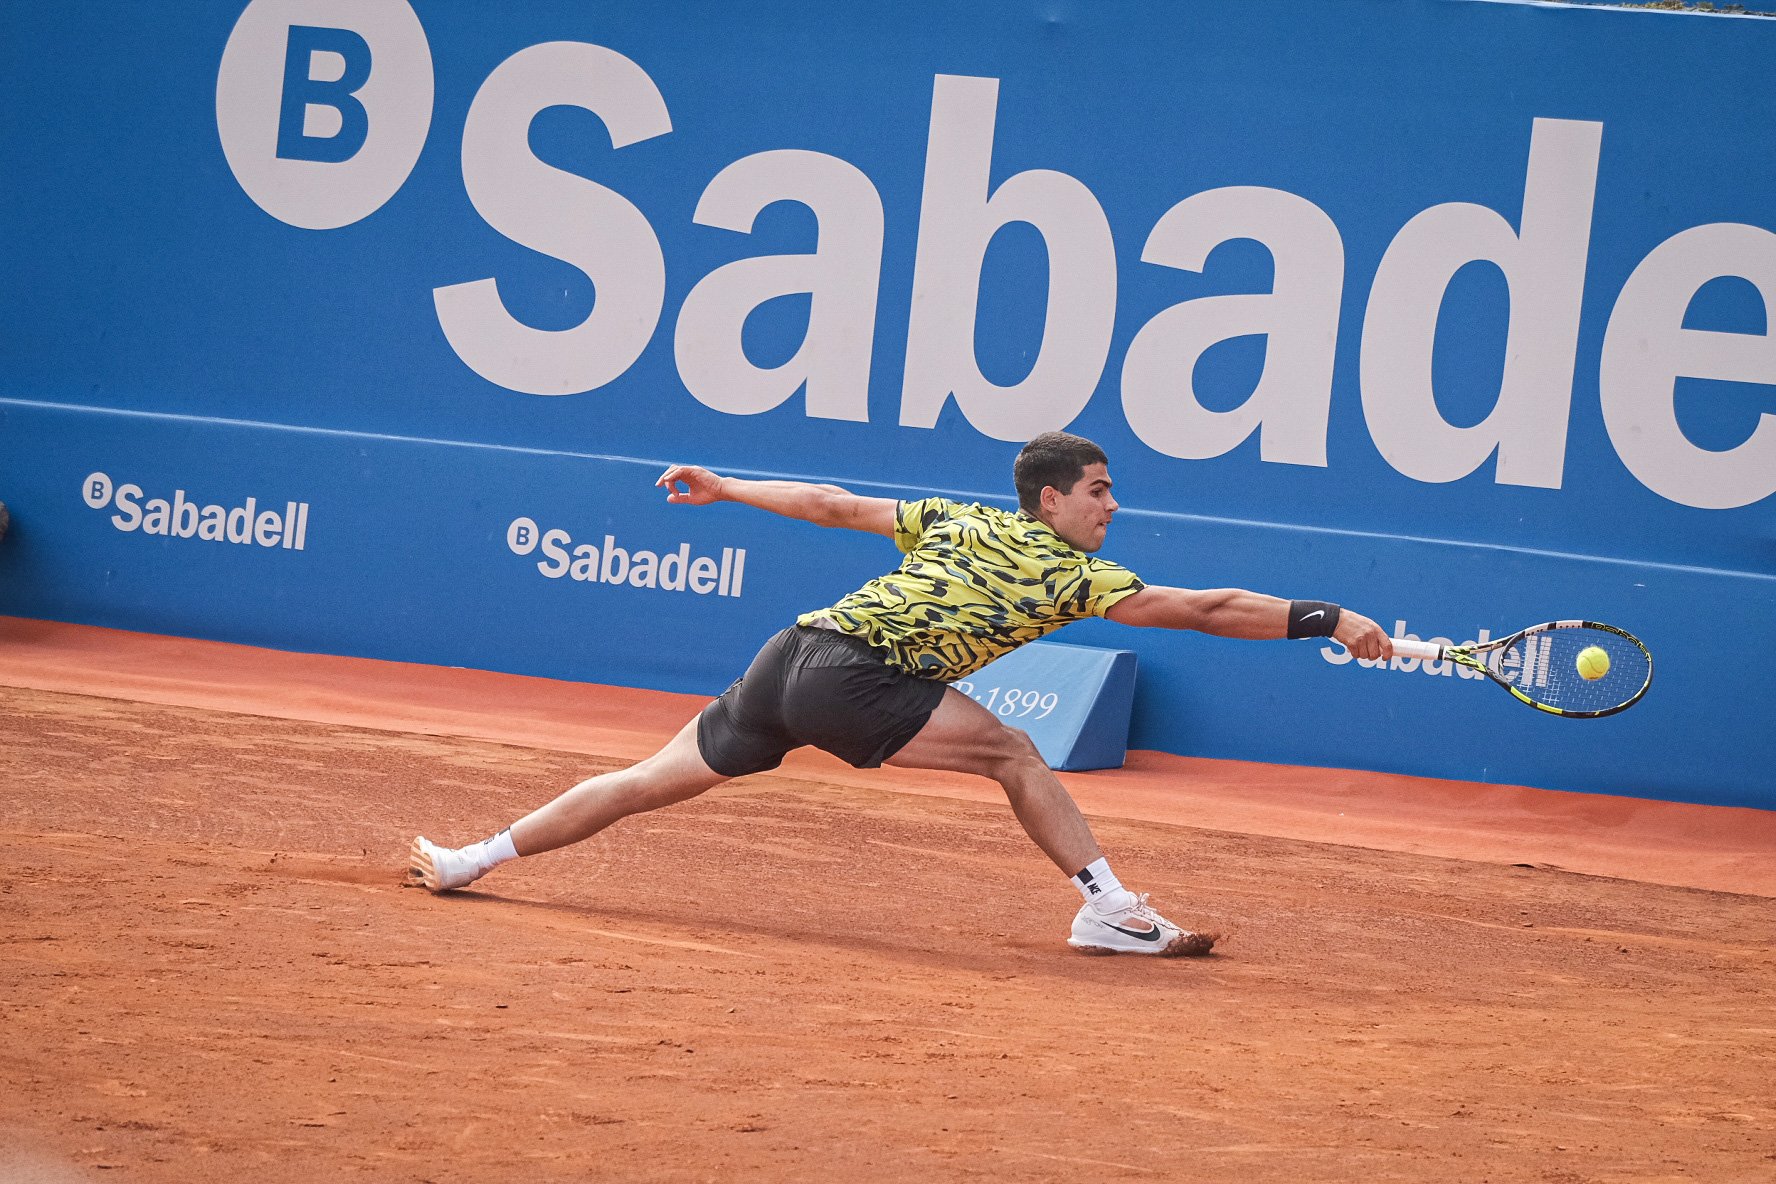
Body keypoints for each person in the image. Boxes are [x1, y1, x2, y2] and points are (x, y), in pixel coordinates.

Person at [409, 432, 1392, 956]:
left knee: (643, 778)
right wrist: (1330, 616)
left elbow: (833, 505)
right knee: (1012, 751)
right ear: (1051, 499)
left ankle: (471, 857)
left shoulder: (951, 520)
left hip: (790, 652)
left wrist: (726, 486)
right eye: (1099, 487)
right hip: (853, 674)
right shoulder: (1076, 576)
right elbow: (1209, 607)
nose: (1112, 502)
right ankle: (1107, 907)